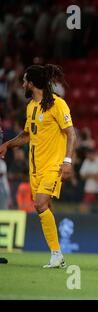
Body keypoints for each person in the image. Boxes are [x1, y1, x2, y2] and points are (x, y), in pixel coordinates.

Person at [0, 64, 76, 268]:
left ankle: (57, 254)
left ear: (32, 83)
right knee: (45, 208)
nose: (23, 84)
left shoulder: (58, 105)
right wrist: (8, 144)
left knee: (40, 204)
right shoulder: (31, 106)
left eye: (25, 81)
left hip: (53, 165)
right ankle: (57, 255)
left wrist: (67, 161)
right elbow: (27, 135)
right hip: (36, 168)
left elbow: (71, 133)